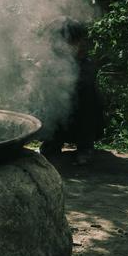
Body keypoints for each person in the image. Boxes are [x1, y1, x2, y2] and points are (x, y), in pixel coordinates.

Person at [41, 18, 103, 165]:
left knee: (86, 98)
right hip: (61, 120)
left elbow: (88, 101)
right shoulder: (53, 60)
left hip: (82, 121)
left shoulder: (86, 65)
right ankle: (52, 142)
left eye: (72, 42)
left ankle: (85, 148)